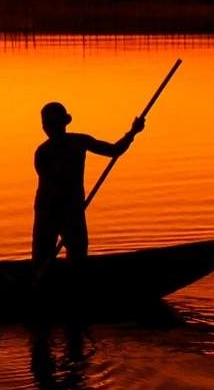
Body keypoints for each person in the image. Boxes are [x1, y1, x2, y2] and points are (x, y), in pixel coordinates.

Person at [32, 102, 144, 267]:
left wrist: (133, 132)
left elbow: (114, 150)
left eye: (52, 124)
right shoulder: (43, 152)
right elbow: (50, 184)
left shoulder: (79, 141)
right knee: (42, 259)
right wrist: (69, 208)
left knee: (78, 255)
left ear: (63, 124)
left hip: (71, 209)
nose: (49, 128)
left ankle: (71, 282)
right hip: (48, 210)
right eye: (47, 125)